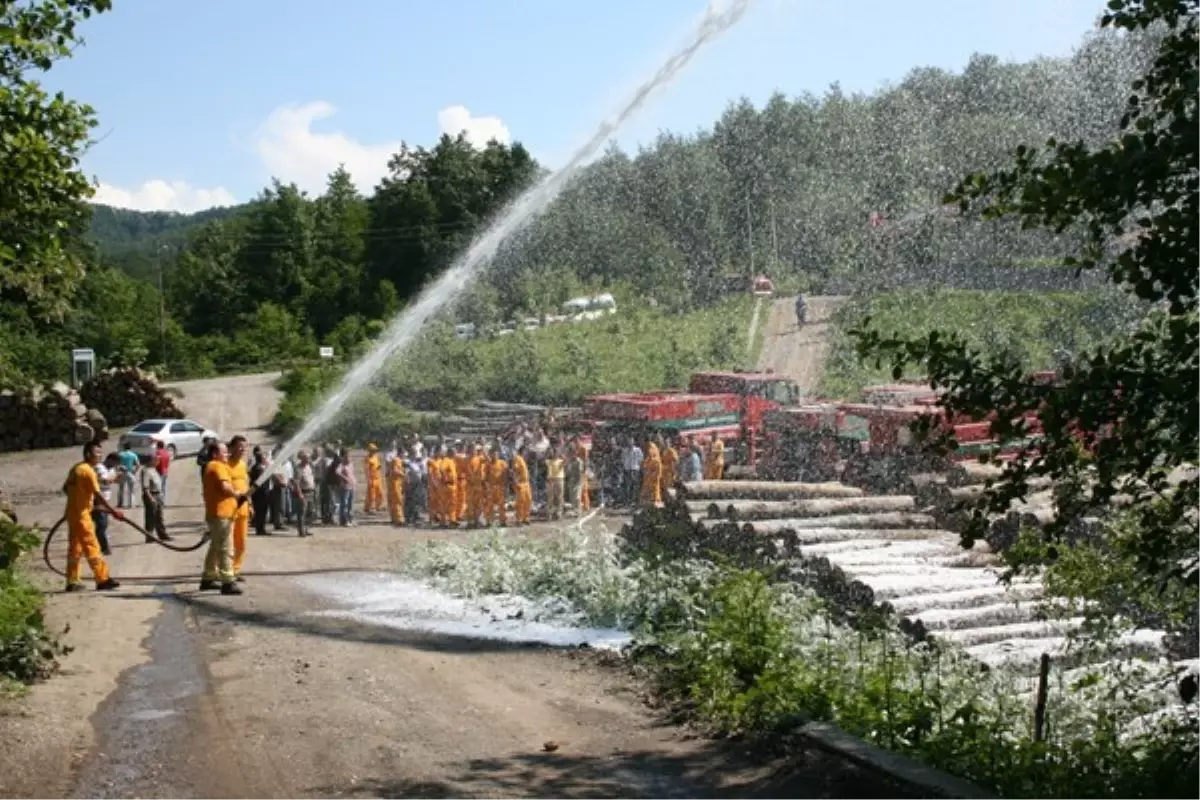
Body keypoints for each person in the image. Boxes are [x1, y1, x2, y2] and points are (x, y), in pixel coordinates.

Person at [62, 441, 123, 592]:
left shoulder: (75, 468)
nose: (100, 455)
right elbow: (98, 494)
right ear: (88, 453)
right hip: (82, 516)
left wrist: (77, 499)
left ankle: (72, 581)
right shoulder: (88, 471)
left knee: (75, 549)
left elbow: (65, 488)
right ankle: (102, 579)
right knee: (92, 546)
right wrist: (113, 510)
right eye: (97, 452)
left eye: (101, 452)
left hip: (72, 514)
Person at [199, 441, 245, 595]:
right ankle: (228, 582)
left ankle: (208, 578)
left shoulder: (212, 466)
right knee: (226, 548)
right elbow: (225, 488)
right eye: (224, 452)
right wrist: (237, 494)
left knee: (215, 547)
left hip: (217, 514)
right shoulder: (217, 466)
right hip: (221, 515)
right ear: (214, 454)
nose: (227, 454)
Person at [226, 436, 252, 582]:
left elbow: (247, 486)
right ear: (232, 447)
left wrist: (251, 504)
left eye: (244, 447)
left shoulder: (242, 465)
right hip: (229, 510)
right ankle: (224, 570)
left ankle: (236, 569)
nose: (242, 449)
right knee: (227, 543)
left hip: (243, 509)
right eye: (240, 446)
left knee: (241, 542)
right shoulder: (225, 465)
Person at [139, 453, 171, 542]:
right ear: (152, 460)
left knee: (159, 516)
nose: (158, 462)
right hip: (151, 495)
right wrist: (151, 498)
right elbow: (145, 487)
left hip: (158, 495)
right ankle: (149, 536)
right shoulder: (145, 470)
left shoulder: (153, 469)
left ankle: (162, 535)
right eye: (157, 460)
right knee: (150, 517)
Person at [93, 452, 119, 555]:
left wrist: (119, 475)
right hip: (97, 500)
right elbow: (105, 481)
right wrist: (116, 475)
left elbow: (115, 481)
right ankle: (104, 547)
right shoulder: (100, 468)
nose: (115, 465)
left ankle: (99, 546)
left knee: (103, 524)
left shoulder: (111, 469)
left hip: (105, 501)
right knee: (102, 524)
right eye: (114, 463)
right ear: (110, 460)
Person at [249, 446, 272, 538]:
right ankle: (260, 529)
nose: (265, 458)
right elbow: (260, 483)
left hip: (258, 494)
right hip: (261, 494)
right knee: (261, 512)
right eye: (264, 457)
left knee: (260, 512)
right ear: (261, 459)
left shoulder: (256, 467)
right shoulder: (259, 469)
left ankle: (261, 528)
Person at [485, 445, 509, 526]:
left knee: (502, 505)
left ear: (498, 454)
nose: (494, 455)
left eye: (496, 454)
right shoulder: (488, 464)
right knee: (490, 505)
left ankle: (503, 521)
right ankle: (489, 521)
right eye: (492, 454)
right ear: (490, 454)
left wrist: (505, 486)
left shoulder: (502, 463)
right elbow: (486, 476)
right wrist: (487, 486)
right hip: (491, 487)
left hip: (500, 486)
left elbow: (505, 474)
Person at [295, 450, 315, 537]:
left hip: (311, 492)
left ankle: (306, 529)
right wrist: (300, 494)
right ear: (302, 459)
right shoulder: (298, 469)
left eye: (309, 458)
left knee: (310, 512)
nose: (308, 459)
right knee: (302, 512)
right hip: (304, 493)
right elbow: (296, 483)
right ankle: (301, 531)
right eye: (306, 458)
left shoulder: (308, 466)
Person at [511, 446, 532, 526]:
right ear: (523, 451)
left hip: (526, 483)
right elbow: (515, 470)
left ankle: (525, 518)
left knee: (528, 500)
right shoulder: (517, 458)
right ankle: (519, 519)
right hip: (521, 483)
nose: (527, 453)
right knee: (521, 501)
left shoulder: (523, 459)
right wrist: (515, 481)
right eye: (526, 451)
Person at [116, 442, 140, 508]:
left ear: (124, 447)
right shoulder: (133, 455)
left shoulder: (120, 454)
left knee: (121, 489)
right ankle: (131, 504)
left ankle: (120, 504)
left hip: (122, 472)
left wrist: (117, 471)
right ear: (130, 448)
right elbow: (138, 464)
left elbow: (117, 463)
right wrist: (134, 471)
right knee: (131, 490)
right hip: (130, 472)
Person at [386, 445, 405, 526]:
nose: (404, 456)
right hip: (395, 483)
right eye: (403, 454)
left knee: (394, 501)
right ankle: (399, 519)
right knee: (398, 501)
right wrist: (403, 474)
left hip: (395, 483)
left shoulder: (398, 460)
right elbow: (394, 470)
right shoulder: (396, 460)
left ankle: (394, 518)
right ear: (401, 453)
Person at [337, 447, 356, 527]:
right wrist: (344, 478)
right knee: (344, 504)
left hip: (352, 486)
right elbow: (337, 472)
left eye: (349, 456)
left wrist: (354, 481)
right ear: (343, 457)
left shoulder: (351, 464)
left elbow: (352, 474)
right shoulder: (341, 465)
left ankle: (350, 519)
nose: (348, 457)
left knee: (350, 504)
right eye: (346, 456)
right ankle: (344, 521)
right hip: (344, 487)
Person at [544, 446, 565, 521]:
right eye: (554, 452)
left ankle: (558, 513)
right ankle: (549, 514)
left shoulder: (560, 461)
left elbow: (566, 461)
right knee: (550, 498)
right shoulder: (549, 461)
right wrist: (548, 452)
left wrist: (561, 454)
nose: (555, 453)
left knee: (559, 497)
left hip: (559, 479)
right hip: (551, 480)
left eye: (556, 452)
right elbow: (544, 459)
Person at [640, 440, 662, 506]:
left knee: (655, 496)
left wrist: (653, 476)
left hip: (653, 482)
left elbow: (658, 473)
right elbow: (643, 469)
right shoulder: (646, 460)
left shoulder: (656, 461)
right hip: (647, 482)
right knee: (645, 496)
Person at [364, 443, 384, 514]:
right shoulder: (367, 458)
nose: (374, 451)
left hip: (378, 478)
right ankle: (370, 508)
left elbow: (378, 465)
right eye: (373, 450)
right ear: (369, 450)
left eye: (375, 450)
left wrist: (379, 466)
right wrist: (368, 478)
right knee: (371, 495)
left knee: (380, 493)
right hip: (371, 478)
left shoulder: (376, 457)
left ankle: (378, 507)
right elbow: (366, 469)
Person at [564, 446, 583, 517]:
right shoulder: (570, 461)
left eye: (572, 453)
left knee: (577, 497)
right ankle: (575, 510)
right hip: (571, 481)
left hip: (577, 481)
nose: (570, 455)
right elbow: (568, 472)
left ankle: (578, 511)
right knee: (572, 497)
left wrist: (578, 482)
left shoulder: (578, 461)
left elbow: (580, 472)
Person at [154, 440, 171, 505]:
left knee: (158, 487)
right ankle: (163, 500)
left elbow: (156, 462)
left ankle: (159, 501)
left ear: (158, 446)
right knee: (163, 487)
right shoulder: (166, 453)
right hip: (165, 472)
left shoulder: (158, 453)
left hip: (159, 471)